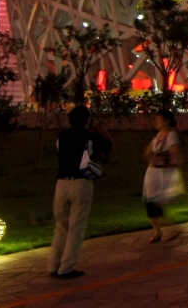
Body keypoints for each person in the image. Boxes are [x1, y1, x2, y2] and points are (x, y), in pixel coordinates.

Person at [47, 105, 113, 279]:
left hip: (61, 183)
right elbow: (108, 146)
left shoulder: (61, 137)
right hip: (81, 183)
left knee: (61, 226)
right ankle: (67, 267)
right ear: (87, 120)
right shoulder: (89, 137)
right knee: (76, 227)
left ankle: (54, 264)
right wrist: (101, 130)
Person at [143, 109, 184, 243]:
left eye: (159, 119)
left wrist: (176, 164)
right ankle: (159, 231)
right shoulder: (159, 135)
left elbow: (175, 152)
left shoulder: (171, 135)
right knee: (150, 202)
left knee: (154, 202)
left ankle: (168, 229)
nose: (157, 121)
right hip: (152, 172)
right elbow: (148, 151)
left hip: (162, 173)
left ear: (166, 121)